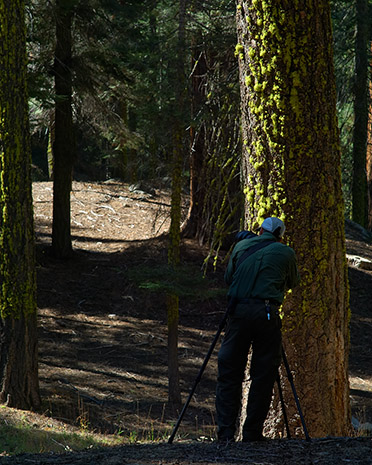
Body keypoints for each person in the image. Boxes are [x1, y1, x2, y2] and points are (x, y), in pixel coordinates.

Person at [216, 216, 300, 443]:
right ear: (280, 235)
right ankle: (252, 433)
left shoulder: (241, 246)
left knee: (229, 372)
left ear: (260, 230)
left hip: (238, 313)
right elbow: (293, 283)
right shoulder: (286, 253)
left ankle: (225, 434)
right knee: (263, 374)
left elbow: (228, 278)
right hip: (267, 315)